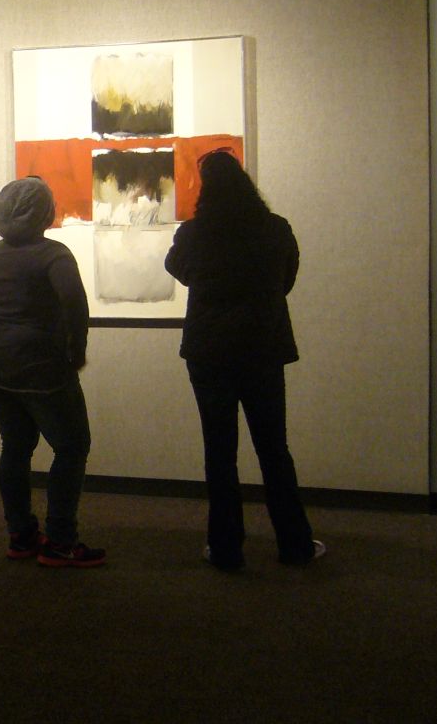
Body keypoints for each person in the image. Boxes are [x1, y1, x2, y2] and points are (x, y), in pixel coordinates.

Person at [163, 151, 324, 570]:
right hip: (262, 348)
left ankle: (226, 548)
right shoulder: (275, 229)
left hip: (209, 352)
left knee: (219, 452)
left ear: (207, 188)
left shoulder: (195, 234)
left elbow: (176, 267)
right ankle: (295, 544)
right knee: (274, 449)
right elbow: (285, 279)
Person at [0, 176, 104, 568]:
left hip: (0, 370)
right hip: (45, 370)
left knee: (15, 449)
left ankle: (21, 535)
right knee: (71, 446)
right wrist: (76, 351)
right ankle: (61, 541)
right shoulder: (54, 255)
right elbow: (75, 306)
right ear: (43, 212)